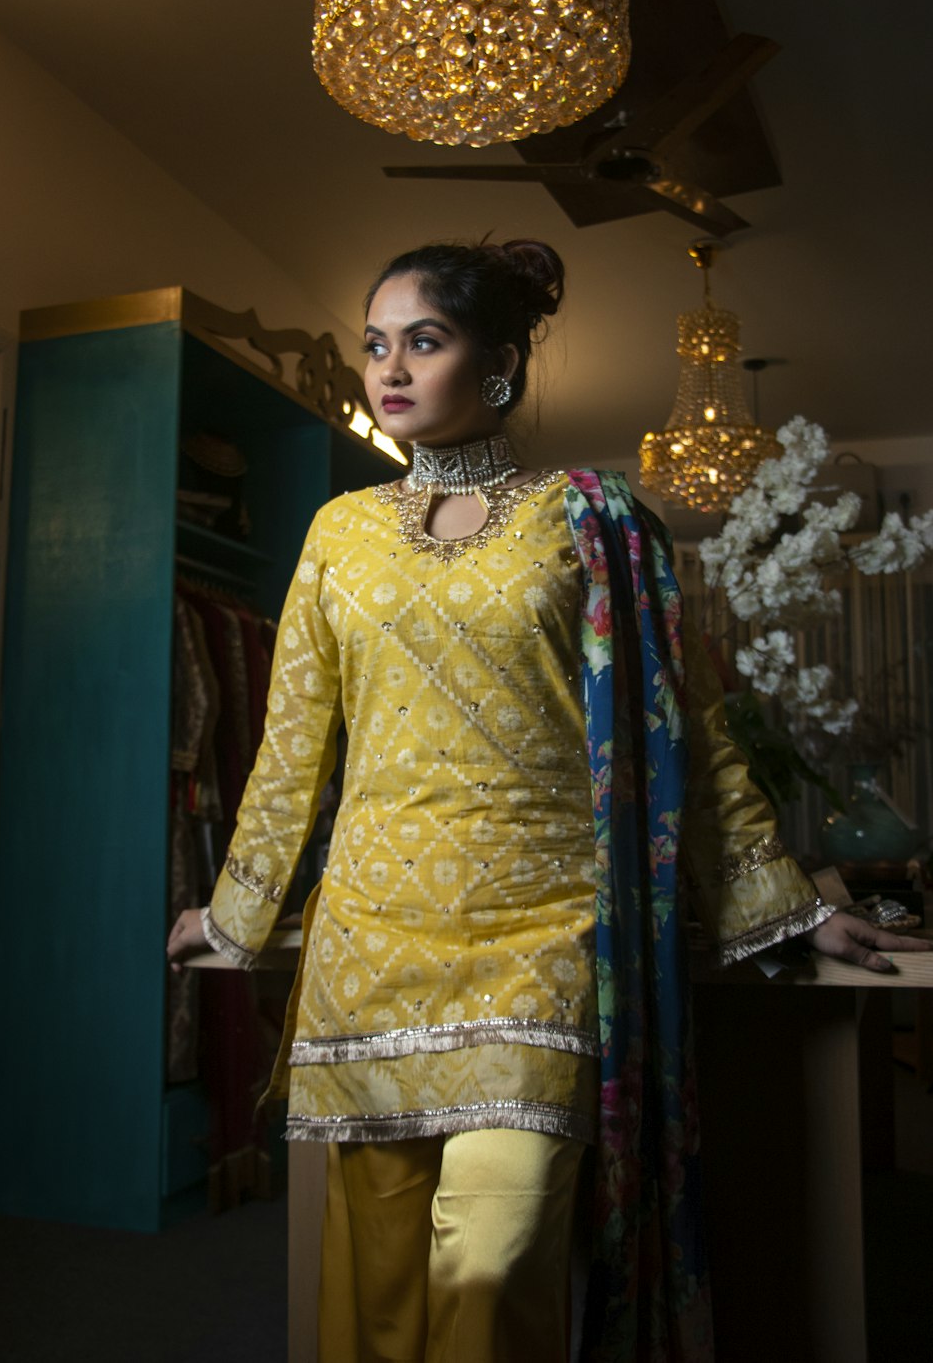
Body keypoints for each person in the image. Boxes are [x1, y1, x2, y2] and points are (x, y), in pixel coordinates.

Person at [168, 239, 930, 1363]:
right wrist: (231, 912)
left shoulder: (596, 520)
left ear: (501, 365)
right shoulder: (336, 534)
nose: (390, 368)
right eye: (376, 344)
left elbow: (689, 728)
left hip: (542, 936)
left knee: (492, 1257)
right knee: (378, 1286)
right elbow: (291, 749)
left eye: (423, 341)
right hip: (371, 943)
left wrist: (792, 901)